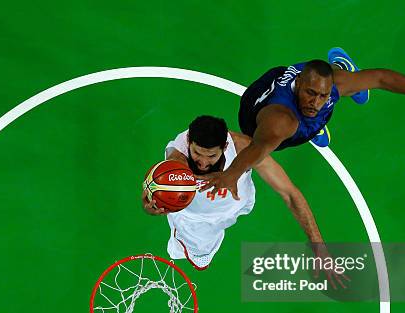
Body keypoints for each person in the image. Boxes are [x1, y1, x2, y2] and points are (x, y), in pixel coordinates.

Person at [200, 47, 405, 199]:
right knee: (292, 128)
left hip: (309, 92)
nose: (316, 101)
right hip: (256, 112)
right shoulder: (280, 122)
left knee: (331, 91)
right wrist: (232, 174)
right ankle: (314, 127)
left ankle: (343, 66)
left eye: (322, 96)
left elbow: (382, 78)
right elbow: (256, 150)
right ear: (298, 85)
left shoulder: (330, 88)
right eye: (310, 93)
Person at [142, 115, 336, 279]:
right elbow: (153, 194)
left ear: (225, 146)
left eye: (211, 156)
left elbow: (289, 193)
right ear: (189, 142)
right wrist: (150, 207)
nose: (202, 162)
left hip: (238, 203)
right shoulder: (176, 162)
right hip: (198, 222)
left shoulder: (243, 148)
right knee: (200, 258)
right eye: (197, 153)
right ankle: (184, 245)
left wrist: (317, 243)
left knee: (244, 204)